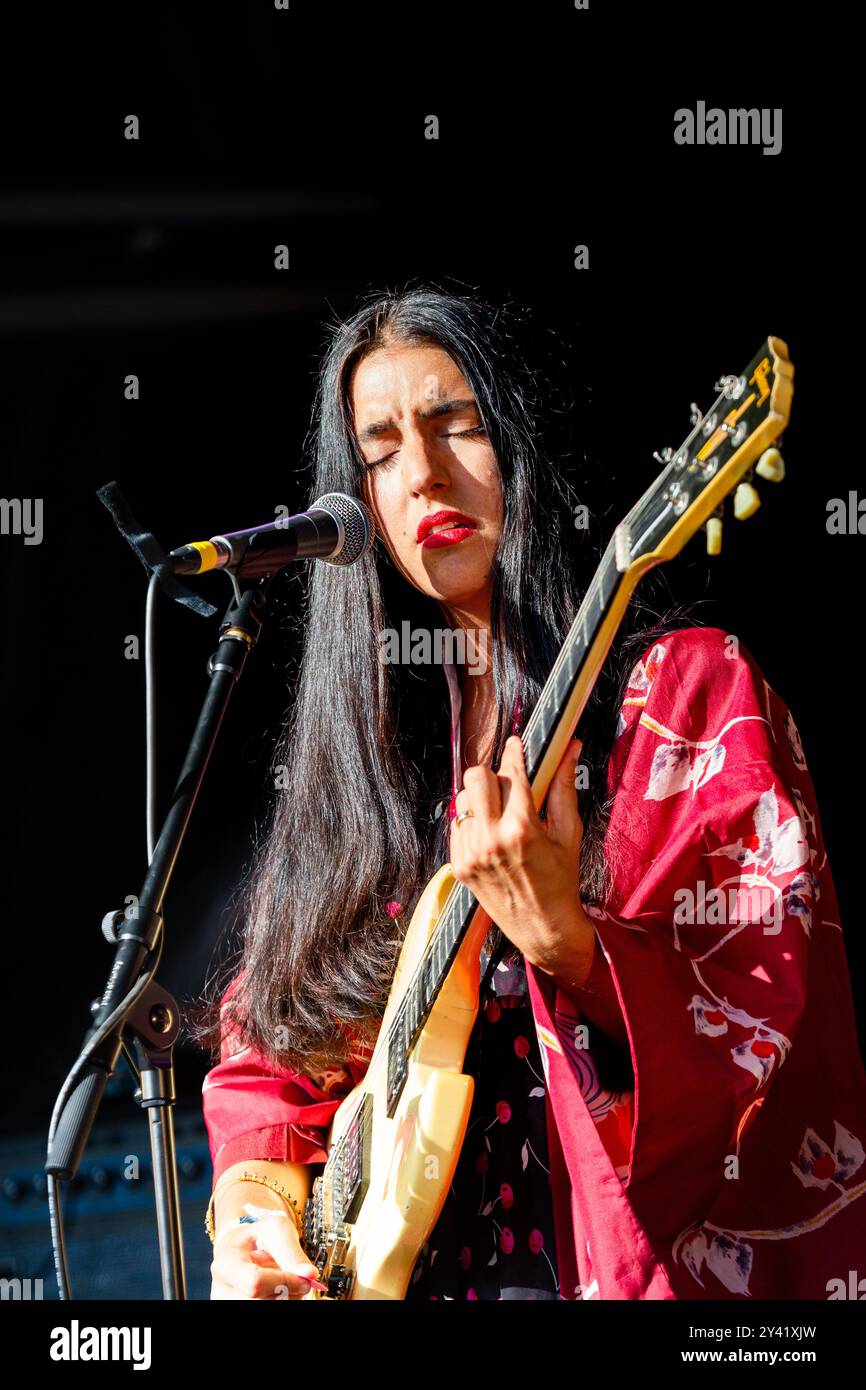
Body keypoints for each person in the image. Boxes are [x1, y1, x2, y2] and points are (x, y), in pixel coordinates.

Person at [192, 284, 866, 1300]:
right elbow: (269, 1039)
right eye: (378, 450)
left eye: (455, 424)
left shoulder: (681, 696)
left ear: (524, 439)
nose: (420, 473)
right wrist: (257, 1220)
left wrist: (567, 939)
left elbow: (764, 1005)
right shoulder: (372, 767)